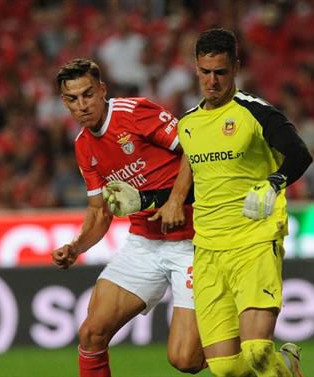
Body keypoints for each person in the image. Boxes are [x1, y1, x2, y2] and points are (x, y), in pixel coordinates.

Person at [51, 58, 205, 377]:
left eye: (88, 94)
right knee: (92, 333)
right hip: (144, 245)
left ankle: (268, 362)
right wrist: (76, 247)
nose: (82, 105)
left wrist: (176, 199)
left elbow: (197, 149)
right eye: (73, 98)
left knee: (186, 360)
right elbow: (99, 211)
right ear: (64, 102)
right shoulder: (83, 146)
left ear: (102, 90)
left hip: (193, 243)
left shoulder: (134, 113)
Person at [177, 28, 312, 377]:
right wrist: (145, 199)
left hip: (253, 240)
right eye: (206, 72)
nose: (212, 81)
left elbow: (299, 154)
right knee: (226, 369)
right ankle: (288, 368)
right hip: (207, 249)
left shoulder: (256, 112)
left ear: (235, 68)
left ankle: (277, 363)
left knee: (255, 352)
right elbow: (199, 185)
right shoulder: (188, 124)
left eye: (221, 72)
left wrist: (274, 182)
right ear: (196, 67)